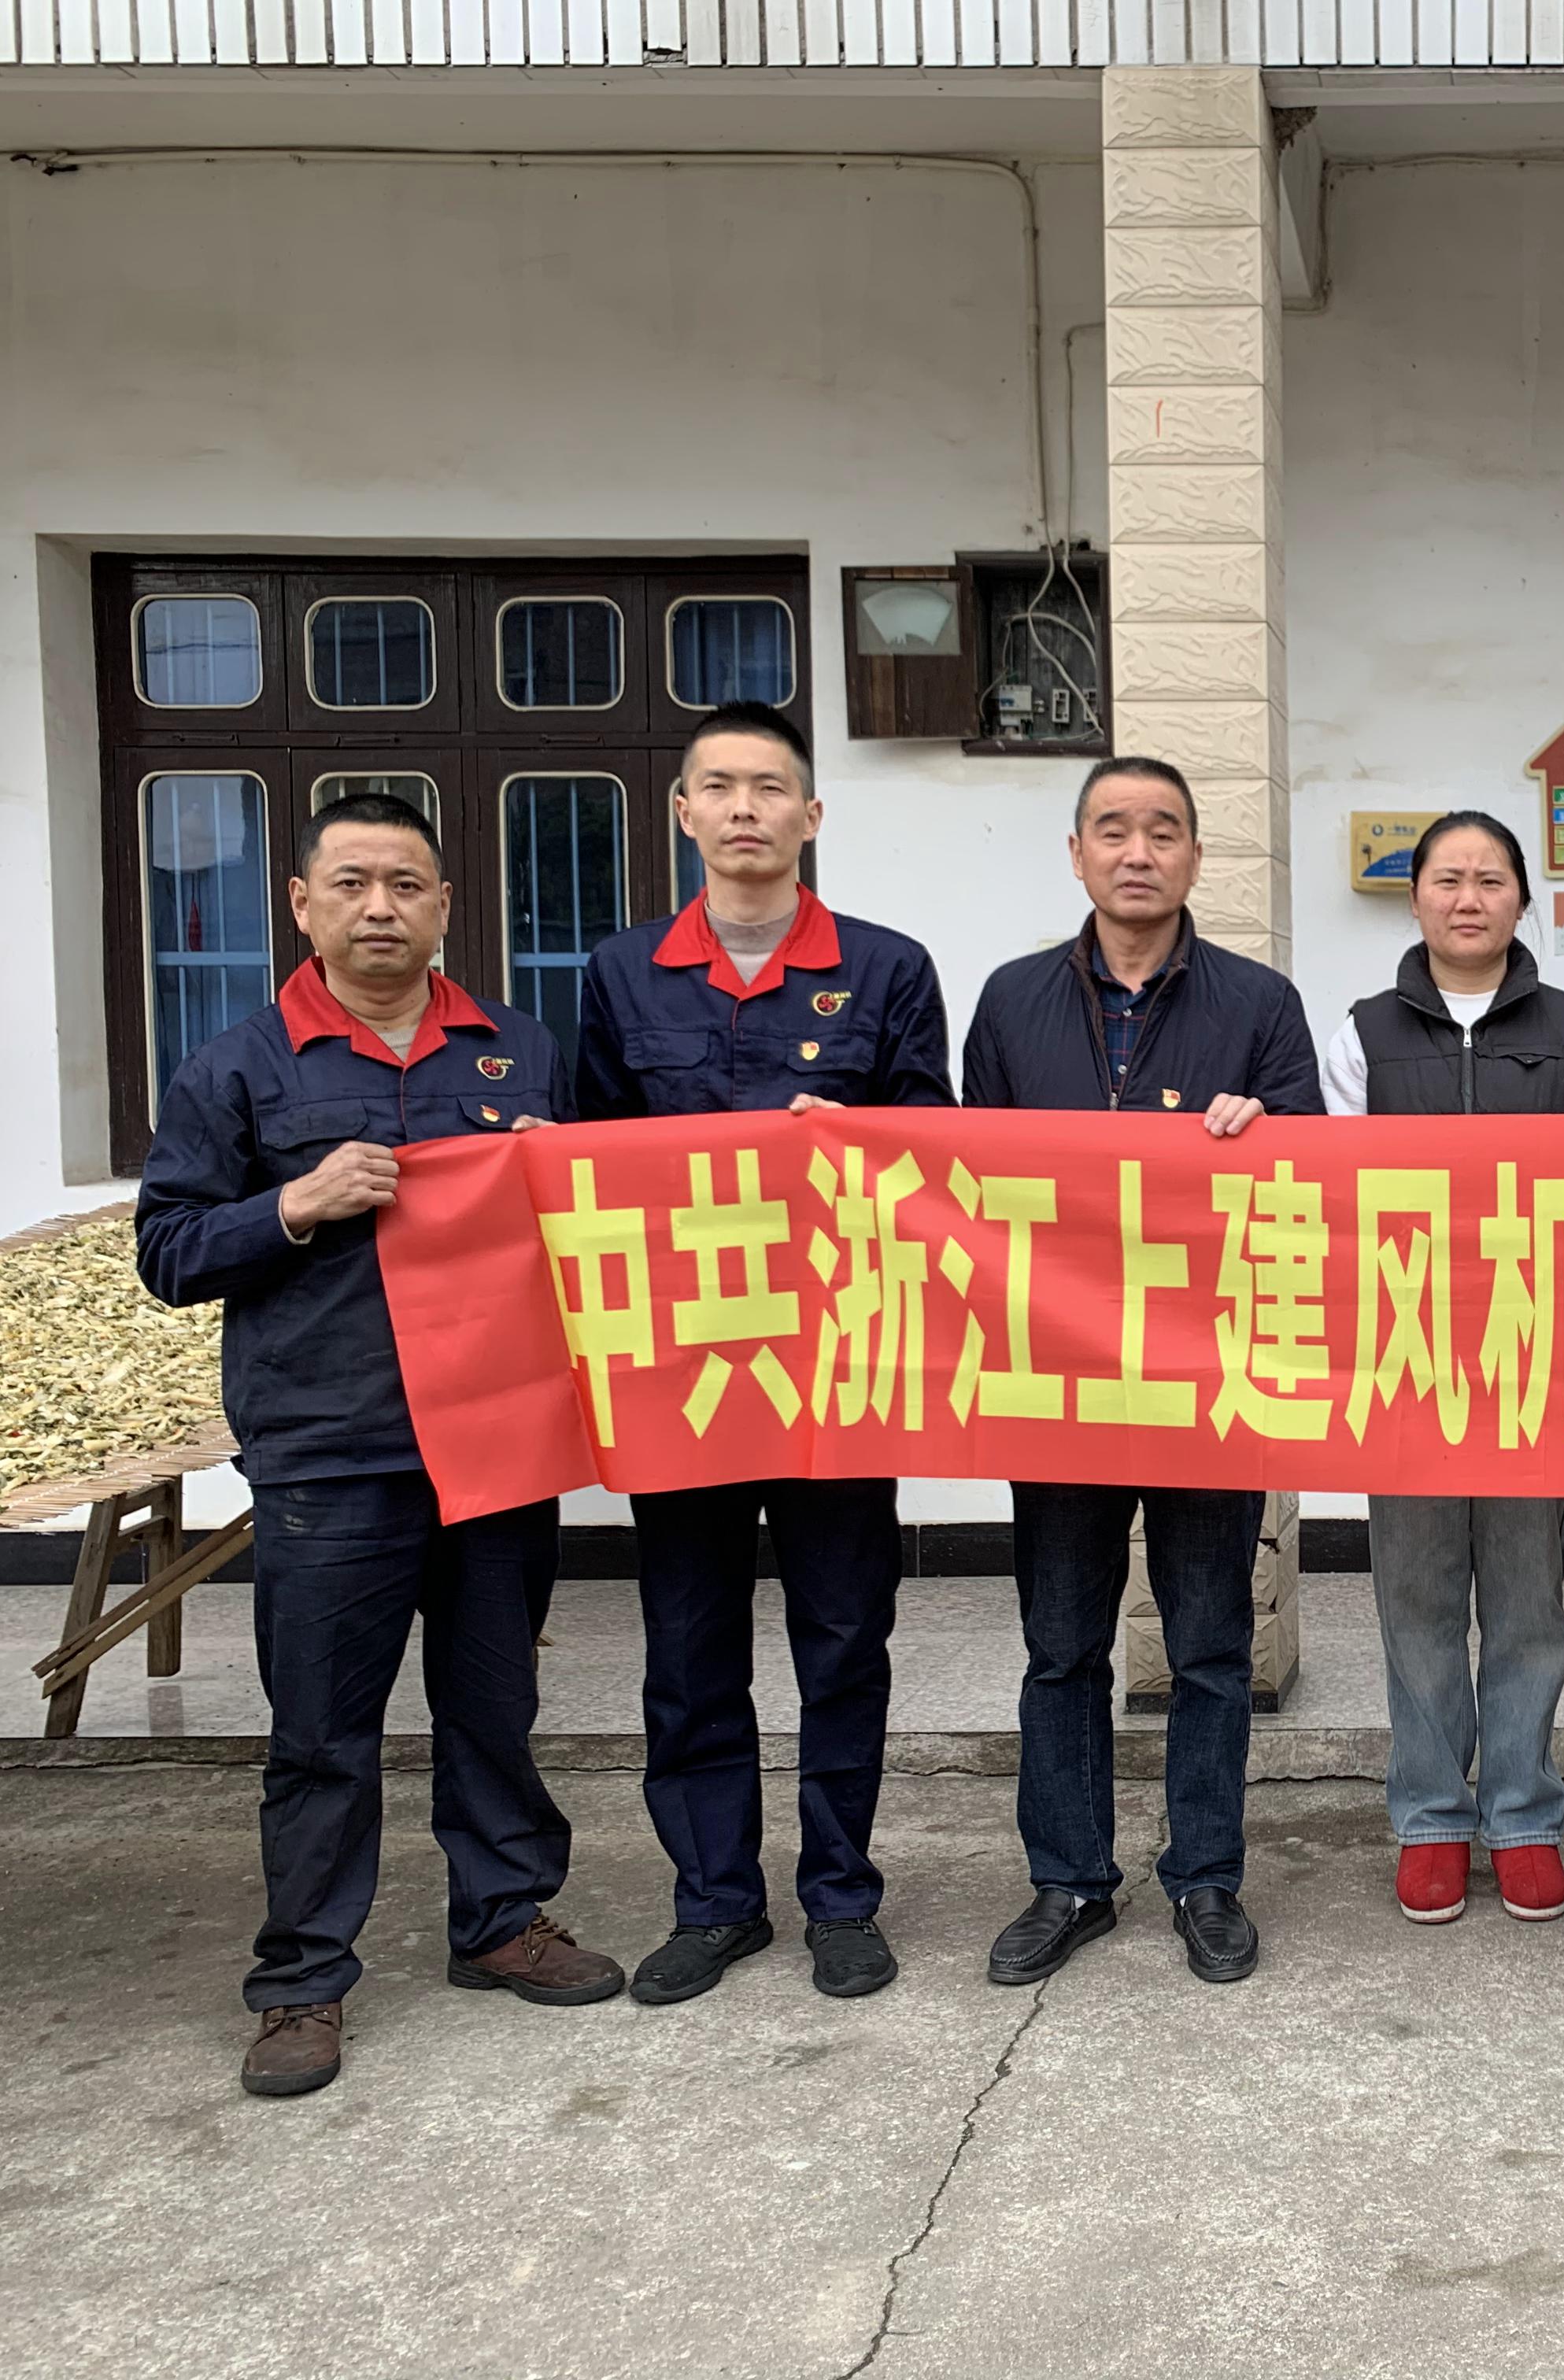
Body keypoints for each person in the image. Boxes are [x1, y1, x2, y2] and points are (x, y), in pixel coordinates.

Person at [137, 790, 622, 2098]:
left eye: (406, 885)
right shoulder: (239, 1066)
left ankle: (502, 1920)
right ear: (302, 905)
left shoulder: (518, 1050)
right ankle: (303, 1980)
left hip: (499, 1441)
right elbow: (167, 1252)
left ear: (446, 905)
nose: (380, 908)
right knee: (323, 1732)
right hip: (331, 1450)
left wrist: (566, 1176)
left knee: (494, 1705)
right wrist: (292, 1205)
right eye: (351, 883)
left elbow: (591, 1229)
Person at [575, 700, 954, 2008]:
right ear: (683, 811)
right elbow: (588, 1162)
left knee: (844, 1639)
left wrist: (851, 1139)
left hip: (837, 1365)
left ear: (812, 815)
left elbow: (939, 1154)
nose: (746, 809)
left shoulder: (888, 969)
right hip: (682, 1369)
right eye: (721, 787)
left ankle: (842, 1897)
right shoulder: (623, 972)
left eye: (771, 787)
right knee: (689, 1649)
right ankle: (716, 1903)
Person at [961, 756, 1322, 1988]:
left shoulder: (1259, 1004)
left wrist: (1265, 1136)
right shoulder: (1011, 1001)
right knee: (1062, 1645)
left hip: (1206, 1374)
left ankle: (1205, 1877)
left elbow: (1311, 1177)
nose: (1137, 852)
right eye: (1112, 830)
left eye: (1163, 831)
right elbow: (969, 1182)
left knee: (1210, 1646)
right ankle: (1068, 1878)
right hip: (1058, 1374)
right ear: (1076, 855)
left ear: (1195, 858)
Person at [1324, 810, 1564, 1925]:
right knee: (1418, 1600)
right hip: (1406, 1360)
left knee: (1531, 1602)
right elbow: (1339, 1198)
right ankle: (1433, 1816)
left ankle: (1525, 1815)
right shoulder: (1360, 1034)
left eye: (1491, 879)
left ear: (1522, 902)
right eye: (1447, 878)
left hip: (1540, 1355)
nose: (1468, 898)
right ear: (1416, 900)